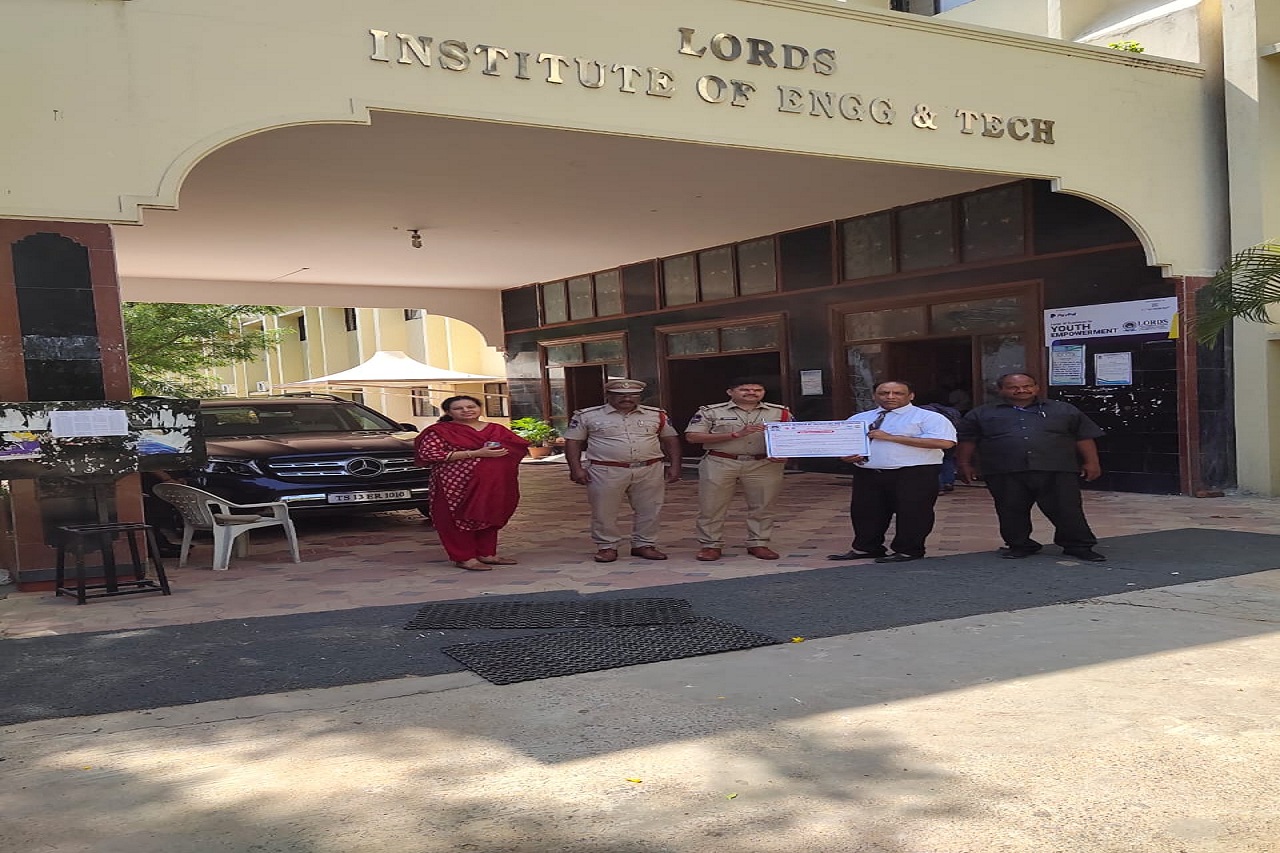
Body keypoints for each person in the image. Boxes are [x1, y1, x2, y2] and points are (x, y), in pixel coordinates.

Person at [954, 373, 1107, 562]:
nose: (1021, 390)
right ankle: (1020, 545)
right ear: (1001, 390)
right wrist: (964, 464)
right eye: (1013, 387)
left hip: (1056, 468)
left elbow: (1083, 436)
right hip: (1004, 470)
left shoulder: (1063, 409)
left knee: (1067, 509)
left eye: (1027, 386)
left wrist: (1092, 462)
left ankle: (1078, 546)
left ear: (1036, 387)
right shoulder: (981, 414)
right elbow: (967, 440)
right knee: (1011, 510)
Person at [826, 380, 957, 564]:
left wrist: (891, 438)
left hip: (914, 473)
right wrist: (846, 457)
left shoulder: (929, 417)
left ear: (911, 396)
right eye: (884, 393)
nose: (890, 397)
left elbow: (944, 442)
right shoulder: (860, 418)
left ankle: (908, 550)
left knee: (913, 512)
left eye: (897, 393)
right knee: (866, 512)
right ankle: (866, 547)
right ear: (874, 396)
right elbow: (843, 444)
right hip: (869, 473)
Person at [562, 378, 683, 563]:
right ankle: (607, 546)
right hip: (606, 470)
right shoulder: (587, 416)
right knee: (604, 510)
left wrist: (675, 465)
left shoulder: (656, 415)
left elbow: (670, 440)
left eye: (632, 395)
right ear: (608, 395)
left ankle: (644, 544)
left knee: (650, 509)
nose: (627, 398)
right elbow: (573, 442)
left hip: (649, 468)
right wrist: (575, 468)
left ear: (639, 396)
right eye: (620, 395)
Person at [413, 395, 529, 571]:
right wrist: (476, 453)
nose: (466, 410)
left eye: (470, 406)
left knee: (490, 513)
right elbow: (429, 454)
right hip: (454, 484)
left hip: (494, 483)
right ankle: (464, 557)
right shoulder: (440, 431)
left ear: (479, 408)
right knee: (457, 518)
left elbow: (517, 448)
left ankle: (487, 554)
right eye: (459, 408)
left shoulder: (496, 429)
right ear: (449, 412)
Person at [684, 380, 792, 561]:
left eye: (757, 389)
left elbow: (794, 435)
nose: (752, 392)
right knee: (712, 505)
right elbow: (692, 437)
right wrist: (735, 434)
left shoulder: (780, 412)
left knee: (763, 505)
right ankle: (711, 545)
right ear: (730, 392)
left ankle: (759, 543)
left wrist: (786, 454)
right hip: (721, 461)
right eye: (745, 389)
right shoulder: (711, 411)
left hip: (763, 463)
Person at [916, 393, 963, 494]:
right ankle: (948, 482)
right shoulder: (952, 411)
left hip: (932, 439)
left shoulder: (923, 410)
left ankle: (939, 486)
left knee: (934, 460)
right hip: (950, 437)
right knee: (948, 459)